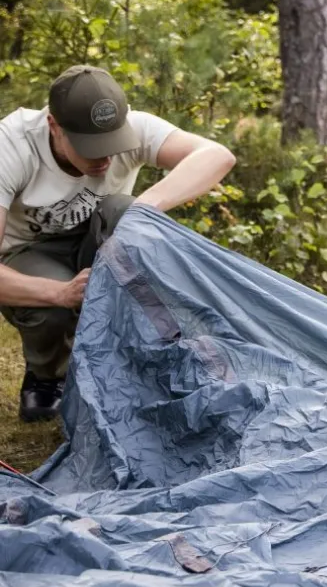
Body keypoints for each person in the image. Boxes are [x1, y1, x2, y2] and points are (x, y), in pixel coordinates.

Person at [0, 65, 236, 422]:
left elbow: (217, 155)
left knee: (126, 212)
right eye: (91, 148)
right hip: (27, 250)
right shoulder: (11, 146)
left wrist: (143, 209)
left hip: (98, 236)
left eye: (112, 144)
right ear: (54, 126)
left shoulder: (135, 127)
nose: (105, 158)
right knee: (51, 309)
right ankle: (47, 378)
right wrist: (61, 293)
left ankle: (167, 356)